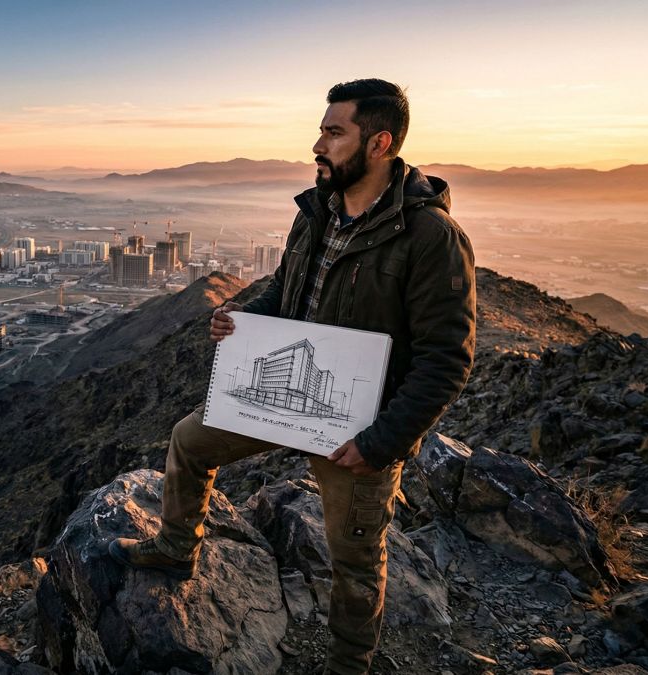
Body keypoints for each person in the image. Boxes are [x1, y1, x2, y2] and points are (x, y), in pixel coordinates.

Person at [108, 78, 476, 674]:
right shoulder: (316, 213)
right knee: (188, 440)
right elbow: (287, 292)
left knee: (354, 558)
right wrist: (243, 321)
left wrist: (381, 443)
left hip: (357, 426)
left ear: (379, 143)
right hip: (283, 399)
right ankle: (177, 549)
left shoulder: (430, 237)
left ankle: (348, 664)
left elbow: (447, 358)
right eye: (322, 130)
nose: (317, 144)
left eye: (334, 133)